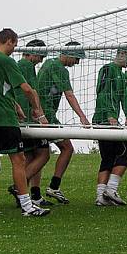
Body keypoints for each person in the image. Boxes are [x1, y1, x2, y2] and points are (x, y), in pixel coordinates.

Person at [0, 28, 50, 217]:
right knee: (19, 160)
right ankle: (27, 205)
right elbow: (26, 88)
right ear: (8, 41)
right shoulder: (6, 61)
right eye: (14, 45)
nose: (14, 49)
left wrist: (16, 106)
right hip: (4, 120)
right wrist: (37, 111)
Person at [36, 42, 90, 204]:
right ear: (68, 54)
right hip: (47, 118)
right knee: (67, 148)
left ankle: (33, 193)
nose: (77, 62)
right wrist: (82, 116)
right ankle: (51, 186)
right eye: (77, 58)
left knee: (38, 155)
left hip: (39, 115)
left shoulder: (48, 63)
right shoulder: (60, 68)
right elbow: (69, 95)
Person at [7, 39, 52, 207]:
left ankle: (30, 195)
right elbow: (31, 91)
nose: (41, 60)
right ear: (33, 52)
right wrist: (40, 114)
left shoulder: (20, 65)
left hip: (21, 118)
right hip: (27, 120)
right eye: (41, 56)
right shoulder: (26, 65)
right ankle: (19, 187)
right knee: (44, 153)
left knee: (31, 156)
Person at [93, 48, 127, 206]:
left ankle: (101, 197)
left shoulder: (123, 76)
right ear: (122, 54)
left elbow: (125, 97)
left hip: (110, 120)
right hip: (103, 120)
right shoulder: (107, 69)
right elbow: (104, 94)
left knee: (108, 158)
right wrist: (110, 115)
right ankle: (111, 189)